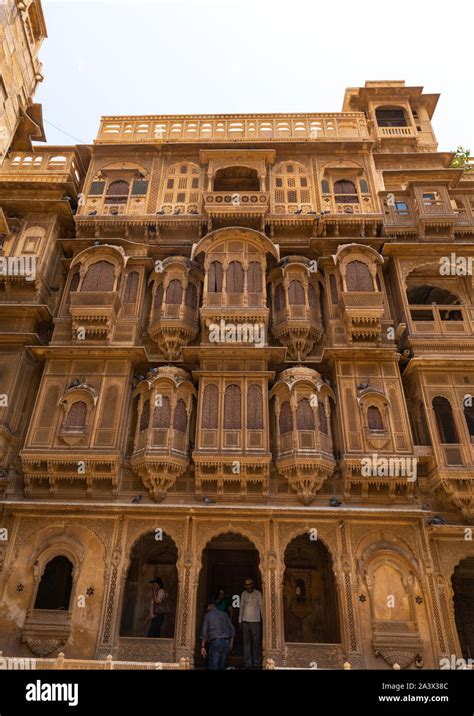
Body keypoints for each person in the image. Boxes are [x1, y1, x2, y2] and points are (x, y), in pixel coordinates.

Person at [200, 597, 235, 670]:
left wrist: (202, 646)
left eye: (207, 607)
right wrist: (231, 644)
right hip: (225, 643)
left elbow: (204, 632)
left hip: (216, 643)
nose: (207, 609)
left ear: (210, 606)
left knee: (214, 666)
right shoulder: (224, 614)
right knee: (221, 667)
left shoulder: (207, 616)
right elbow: (232, 630)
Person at [239, 577, 263, 670]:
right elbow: (241, 607)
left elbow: (262, 607)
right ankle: (247, 663)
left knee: (256, 643)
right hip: (245, 621)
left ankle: (257, 662)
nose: (248, 588)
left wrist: (264, 620)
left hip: (256, 621)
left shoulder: (258, 594)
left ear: (252, 586)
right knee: (246, 643)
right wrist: (240, 620)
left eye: (249, 586)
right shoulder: (243, 594)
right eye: (246, 587)